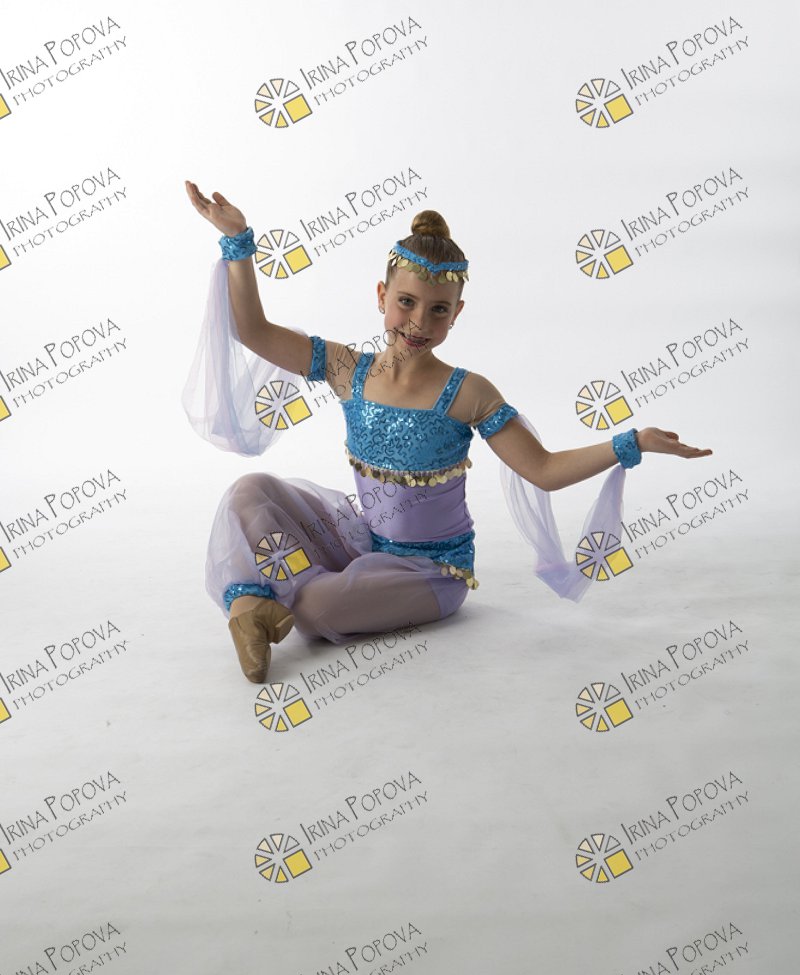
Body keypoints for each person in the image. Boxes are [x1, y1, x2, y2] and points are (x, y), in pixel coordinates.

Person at [182, 182, 712, 683]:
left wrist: (630, 443)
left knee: (317, 608)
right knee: (249, 491)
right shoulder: (348, 370)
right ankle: (258, 605)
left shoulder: (468, 392)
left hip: (432, 572)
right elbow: (252, 331)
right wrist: (238, 241)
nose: (418, 322)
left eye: (438, 310)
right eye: (406, 303)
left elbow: (544, 470)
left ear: (456, 314)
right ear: (381, 296)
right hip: (365, 543)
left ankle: (263, 602)